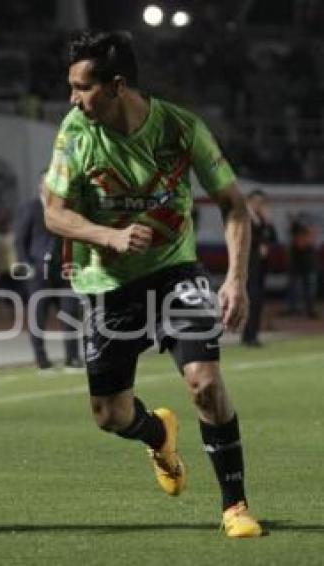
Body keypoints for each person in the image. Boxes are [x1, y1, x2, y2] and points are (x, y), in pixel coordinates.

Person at [41, 31, 261, 538]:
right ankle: (158, 433)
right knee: (110, 415)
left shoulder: (181, 129)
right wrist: (108, 237)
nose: (73, 98)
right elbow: (54, 213)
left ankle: (236, 508)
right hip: (109, 283)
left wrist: (235, 280)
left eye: (82, 87)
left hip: (175, 271)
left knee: (205, 383)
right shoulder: (75, 133)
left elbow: (233, 204)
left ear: (117, 85)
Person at [14, 196, 81, 371]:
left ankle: (72, 358)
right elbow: (20, 240)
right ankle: (41, 360)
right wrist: (27, 266)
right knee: (38, 317)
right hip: (39, 271)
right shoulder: (32, 207)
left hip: (63, 271)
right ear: (41, 187)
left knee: (71, 314)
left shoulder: (67, 207)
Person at [241, 189, 276, 346]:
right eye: (256, 202)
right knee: (251, 299)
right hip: (247, 264)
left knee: (258, 299)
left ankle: (252, 333)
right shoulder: (244, 217)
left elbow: (274, 238)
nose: (259, 205)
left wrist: (268, 222)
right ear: (248, 201)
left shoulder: (262, 220)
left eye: (261, 203)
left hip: (260, 266)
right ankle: (248, 335)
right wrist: (260, 243)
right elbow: (242, 238)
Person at [285, 214, 318, 318]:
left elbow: (310, 242)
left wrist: (308, 233)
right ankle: (293, 309)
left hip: (309, 264)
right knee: (295, 288)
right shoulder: (295, 232)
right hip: (296, 265)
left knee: (310, 289)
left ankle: (310, 309)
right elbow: (299, 244)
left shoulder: (309, 233)